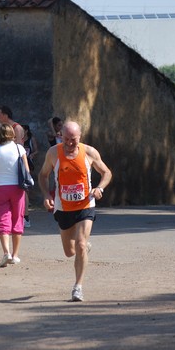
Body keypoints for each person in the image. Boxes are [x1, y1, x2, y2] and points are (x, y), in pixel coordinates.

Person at [38, 121, 112, 302]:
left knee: (79, 244)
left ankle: (78, 287)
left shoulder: (89, 152)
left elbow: (106, 173)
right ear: (61, 136)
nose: (70, 143)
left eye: (74, 139)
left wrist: (99, 188)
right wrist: (47, 195)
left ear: (80, 136)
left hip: (86, 205)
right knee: (70, 251)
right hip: (63, 207)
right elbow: (43, 175)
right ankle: (84, 248)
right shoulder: (54, 153)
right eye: (66, 139)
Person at [0, 123, 31, 267]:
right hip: (17, 188)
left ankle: (6, 252)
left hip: (0, 188)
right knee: (18, 218)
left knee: (3, 219)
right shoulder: (19, 148)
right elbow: (27, 171)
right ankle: (15, 255)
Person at [22, 124, 38, 228]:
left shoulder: (31, 139)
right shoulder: (19, 139)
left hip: (28, 163)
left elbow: (36, 150)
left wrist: (32, 154)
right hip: (21, 163)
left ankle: (27, 205)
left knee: (26, 185)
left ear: (26, 130)